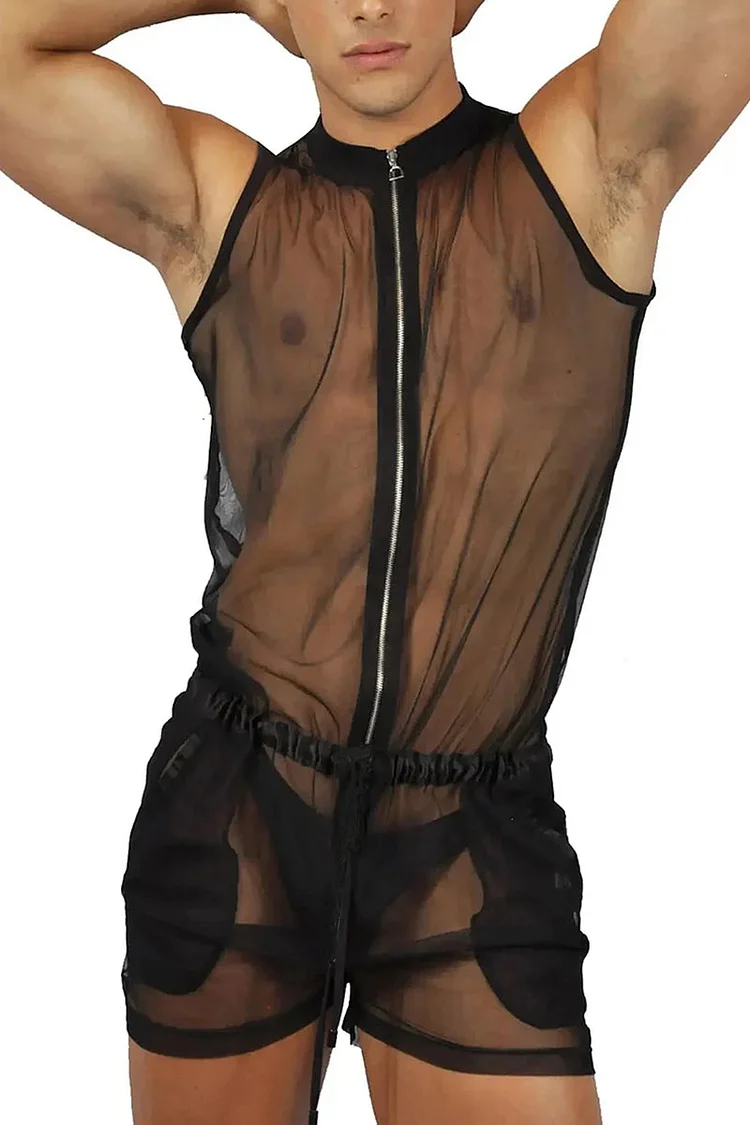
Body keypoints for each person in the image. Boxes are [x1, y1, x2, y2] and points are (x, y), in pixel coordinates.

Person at [1, 1, 746, 1122]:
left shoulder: (593, 167)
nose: (367, 4)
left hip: (472, 834)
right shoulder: (220, 206)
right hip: (240, 809)